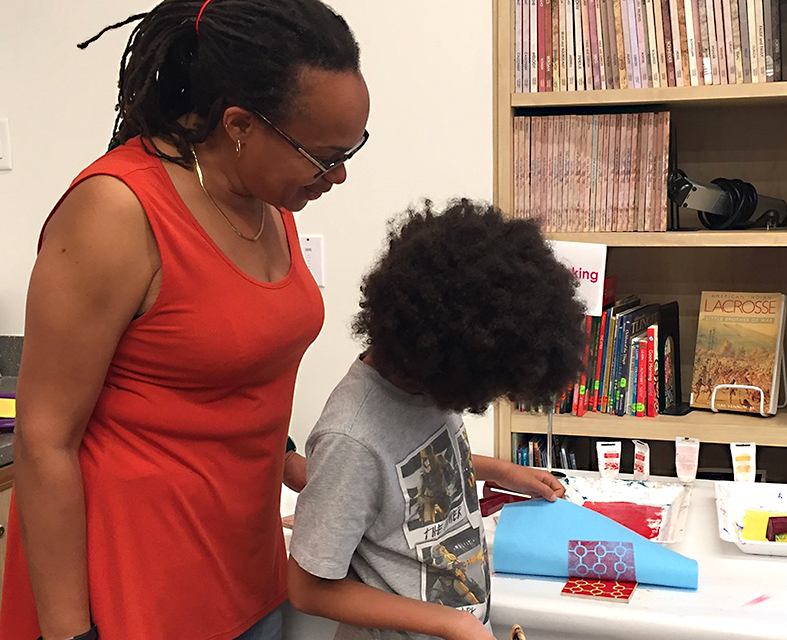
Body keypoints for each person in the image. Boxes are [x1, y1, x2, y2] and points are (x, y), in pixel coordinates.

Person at [0, 1, 369, 639]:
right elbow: (43, 440)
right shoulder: (115, 213)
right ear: (240, 126)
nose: (336, 175)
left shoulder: (266, 196)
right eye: (323, 156)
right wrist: (68, 634)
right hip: (135, 586)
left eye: (351, 150)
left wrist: (306, 466)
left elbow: (231, 360)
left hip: (248, 564)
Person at [286, 199, 587, 640]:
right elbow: (308, 588)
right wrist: (452, 622)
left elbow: (420, 463)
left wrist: (503, 471)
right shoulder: (350, 438)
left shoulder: (424, 380)